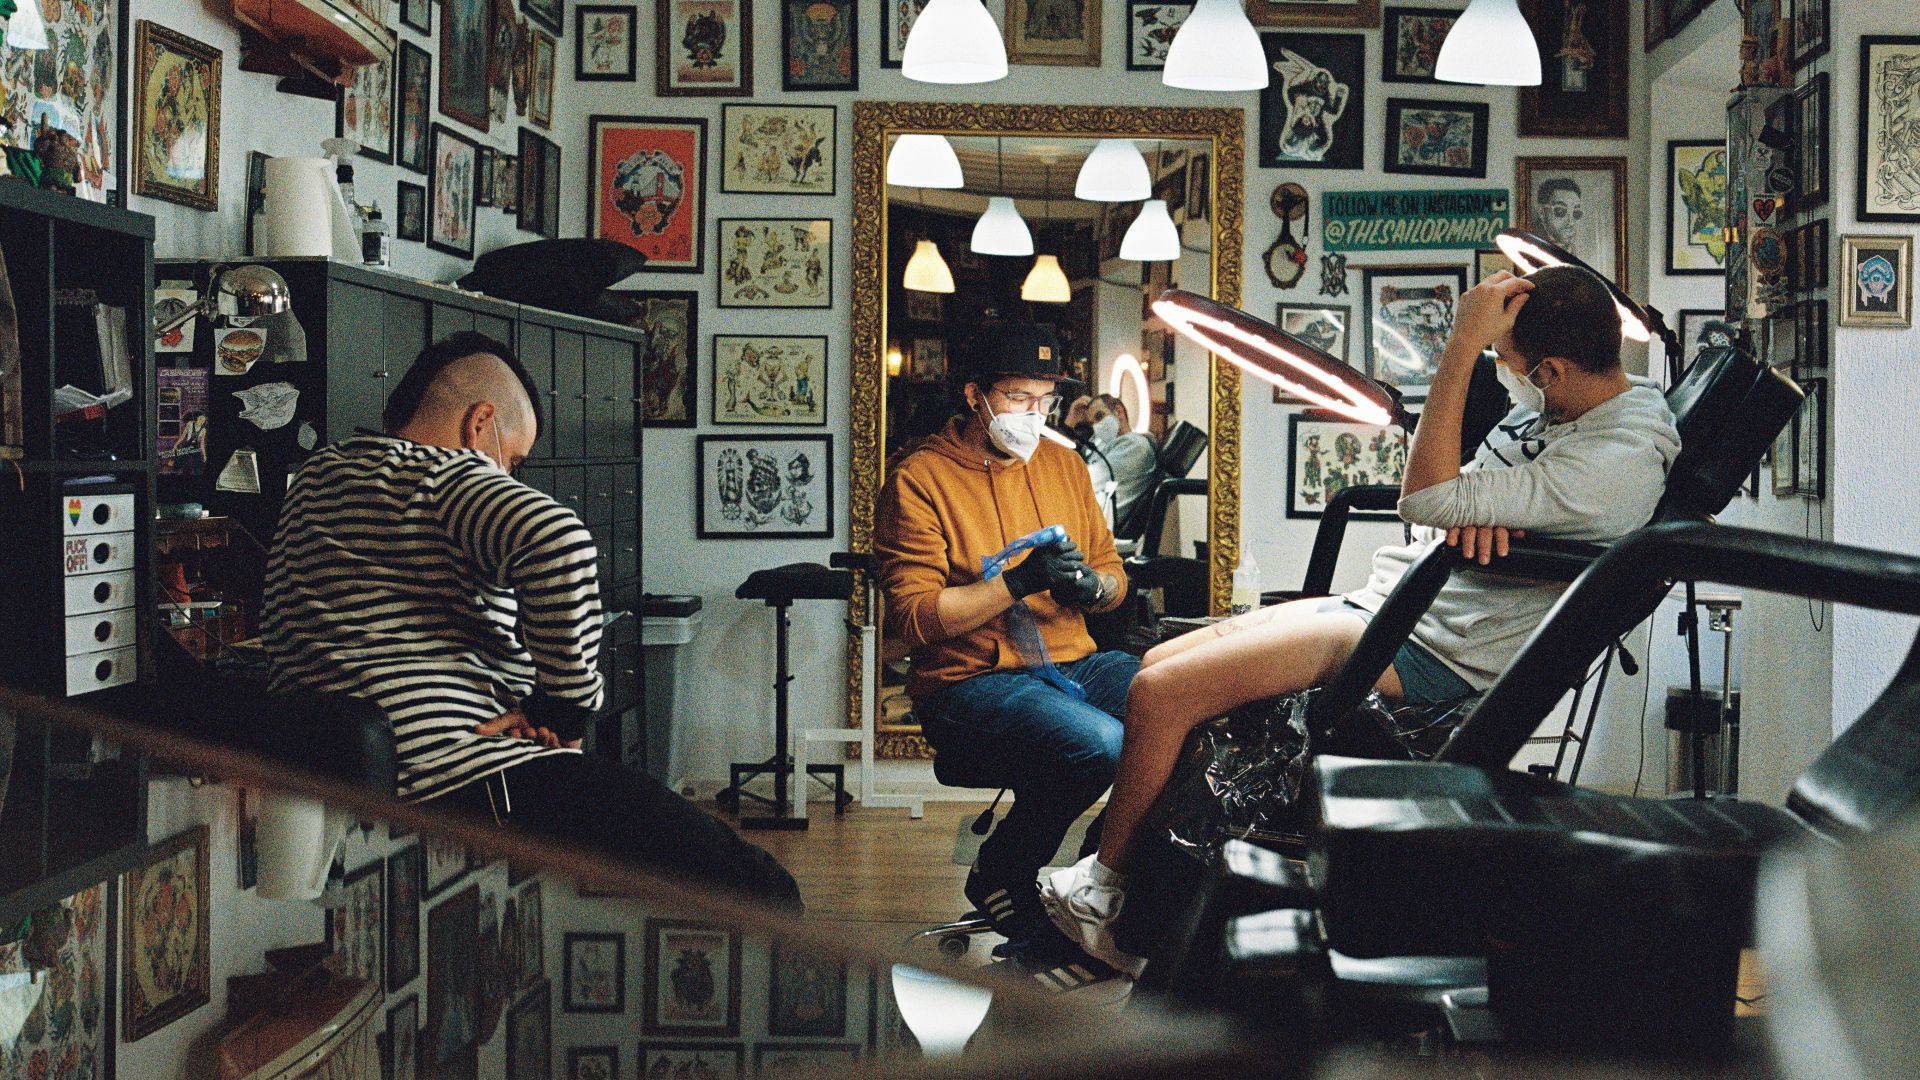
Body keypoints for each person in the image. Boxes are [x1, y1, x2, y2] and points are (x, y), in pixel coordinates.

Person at [1039, 265, 1681, 973]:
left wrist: (1460, 349)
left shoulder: (1611, 463)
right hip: (1402, 603)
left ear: (1553, 369)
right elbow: (1453, 498)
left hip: (1430, 645)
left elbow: (1426, 497)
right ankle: (1145, 882)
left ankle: (1108, 892)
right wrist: (1475, 508)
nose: (1506, 376)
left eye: (1508, 363)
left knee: (1156, 696)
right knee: (1159, 664)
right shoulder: (1581, 408)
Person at [263, 332, 801, 913]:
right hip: (463, 771)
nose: (511, 477)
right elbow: (559, 539)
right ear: (480, 424)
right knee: (759, 886)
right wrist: (561, 708)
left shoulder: (320, 477)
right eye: (514, 460)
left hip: (363, 784)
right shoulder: (438, 473)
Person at [873, 322, 1136, 994]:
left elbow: (1112, 573)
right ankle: (1005, 871)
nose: (1033, 417)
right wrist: (1015, 582)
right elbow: (911, 620)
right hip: (971, 681)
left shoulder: (1064, 464)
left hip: (1072, 663)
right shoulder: (920, 479)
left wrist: (1093, 588)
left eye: (1044, 401)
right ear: (975, 395)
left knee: (1180, 710)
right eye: (1018, 398)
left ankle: (1086, 894)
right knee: (1099, 744)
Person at [1065, 394, 1159, 531]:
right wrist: (1071, 423)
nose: (1097, 427)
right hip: (1083, 516)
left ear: (1119, 411)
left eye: (1099, 416)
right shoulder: (1103, 445)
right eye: (1092, 423)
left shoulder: (1134, 446)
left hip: (1095, 526)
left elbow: (1082, 482)